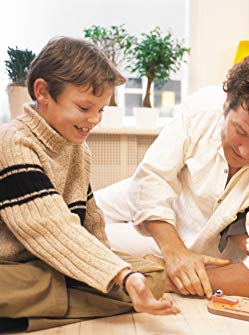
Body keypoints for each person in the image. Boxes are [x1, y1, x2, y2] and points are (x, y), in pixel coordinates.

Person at [95, 48, 249, 300]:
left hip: (204, 249)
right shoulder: (200, 108)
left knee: (91, 248)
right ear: (226, 104)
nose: (245, 151)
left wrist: (172, 278)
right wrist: (174, 252)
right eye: (240, 131)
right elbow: (152, 179)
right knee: (75, 217)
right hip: (167, 209)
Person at [0, 37, 179, 333]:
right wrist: (120, 277)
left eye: (101, 110)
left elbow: (92, 224)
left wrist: (117, 273)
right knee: (125, 280)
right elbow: (52, 229)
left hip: (53, 268)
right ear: (42, 92)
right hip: (13, 268)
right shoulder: (13, 143)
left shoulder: (78, 149)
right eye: (84, 108)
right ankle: (49, 305)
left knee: (152, 275)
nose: (94, 120)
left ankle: (34, 314)